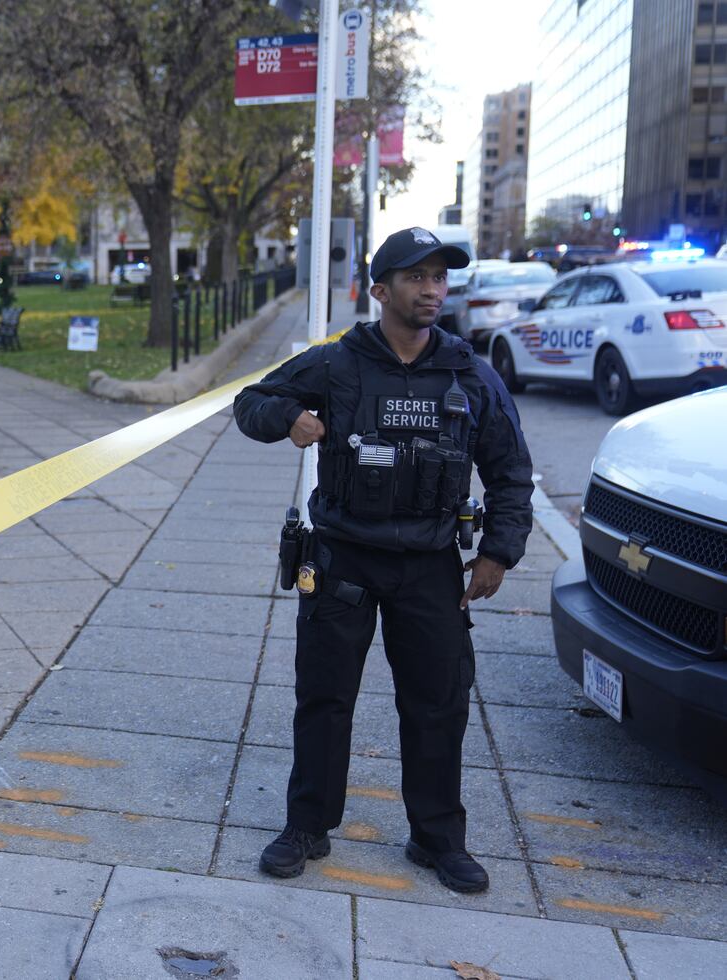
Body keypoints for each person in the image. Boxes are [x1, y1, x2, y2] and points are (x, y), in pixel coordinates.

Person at [233, 226, 534, 893]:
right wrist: (289, 419)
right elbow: (249, 403)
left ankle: (437, 838)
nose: (432, 290)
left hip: (429, 564)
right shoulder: (338, 363)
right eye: (415, 277)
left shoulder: (468, 372)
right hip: (342, 557)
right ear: (380, 291)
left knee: (438, 704)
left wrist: (499, 553)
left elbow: (511, 469)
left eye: (439, 278)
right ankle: (307, 825)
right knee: (324, 697)